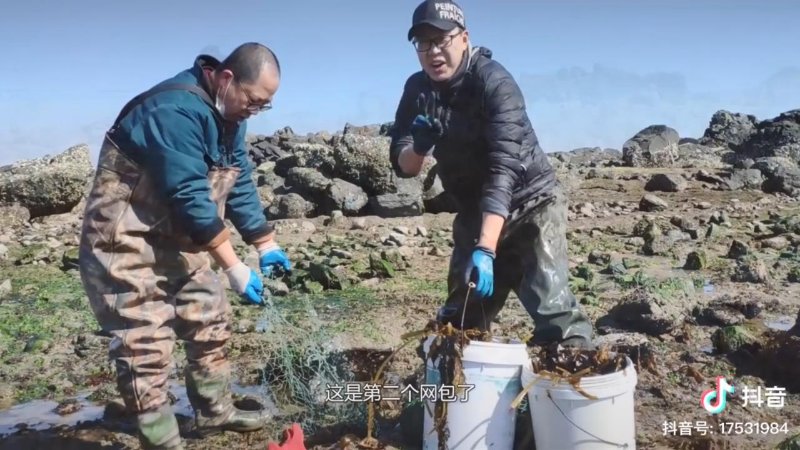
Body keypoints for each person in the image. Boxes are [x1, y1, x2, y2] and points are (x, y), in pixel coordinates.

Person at [79, 42, 292, 450]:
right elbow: (190, 194)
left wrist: (266, 245)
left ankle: (215, 413)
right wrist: (233, 266)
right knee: (144, 341)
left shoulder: (231, 113)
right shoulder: (173, 109)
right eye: (254, 100)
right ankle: (161, 440)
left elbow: (238, 177)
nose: (254, 110)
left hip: (182, 239)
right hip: (126, 239)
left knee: (210, 319)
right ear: (227, 79)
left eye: (264, 106)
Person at [389, 0, 594, 348]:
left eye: (442, 40)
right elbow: (403, 167)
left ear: (464, 38)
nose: (433, 52)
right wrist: (420, 147)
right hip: (473, 209)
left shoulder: (495, 83)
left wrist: (486, 248)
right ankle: (462, 394)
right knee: (461, 321)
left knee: (554, 313)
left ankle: (572, 387)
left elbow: (504, 169)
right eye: (423, 42)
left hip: (532, 203)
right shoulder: (417, 91)